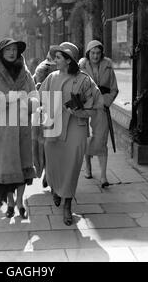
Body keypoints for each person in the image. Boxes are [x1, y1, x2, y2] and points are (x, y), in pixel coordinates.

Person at [39, 42, 102, 226]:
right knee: (54, 162)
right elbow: (40, 97)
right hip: (53, 127)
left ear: (68, 60)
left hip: (76, 127)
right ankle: (55, 188)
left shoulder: (84, 80)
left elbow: (96, 102)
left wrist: (80, 110)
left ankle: (67, 204)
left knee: (72, 166)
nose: (54, 60)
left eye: (58, 57)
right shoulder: (51, 77)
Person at [0, 38, 38, 219]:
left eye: (14, 49)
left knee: (23, 167)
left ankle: (21, 202)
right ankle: (11, 203)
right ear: (0, 53)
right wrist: (8, 98)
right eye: (8, 50)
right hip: (2, 130)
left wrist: (30, 103)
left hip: (22, 127)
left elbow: (34, 95)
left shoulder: (26, 73)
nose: (12, 53)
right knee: (6, 170)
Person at [79, 40, 119, 188]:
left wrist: (106, 101)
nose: (95, 56)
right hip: (86, 107)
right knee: (87, 138)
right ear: (88, 54)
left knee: (101, 139)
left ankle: (103, 176)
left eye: (98, 53)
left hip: (101, 107)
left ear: (102, 53)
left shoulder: (108, 66)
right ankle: (88, 168)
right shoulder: (81, 68)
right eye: (93, 53)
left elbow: (114, 89)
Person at [32, 47, 57, 188]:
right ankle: (47, 173)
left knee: (47, 145)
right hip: (45, 113)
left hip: (48, 113)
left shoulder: (42, 68)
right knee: (47, 145)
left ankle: (47, 173)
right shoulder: (42, 69)